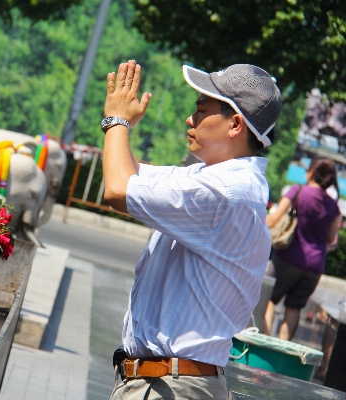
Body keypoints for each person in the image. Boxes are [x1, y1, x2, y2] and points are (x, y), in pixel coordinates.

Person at [102, 60, 282, 399]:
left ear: (235, 125)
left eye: (202, 110)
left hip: (171, 385)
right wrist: (118, 129)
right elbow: (131, 175)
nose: (190, 119)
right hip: (167, 381)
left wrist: (117, 122)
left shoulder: (224, 191)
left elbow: (117, 190)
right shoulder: (215, 178)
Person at [263, 158, 341, 345]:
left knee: (268, 298)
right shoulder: (334, 206)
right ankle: (282, 353)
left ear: (311, 173)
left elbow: (273, 220)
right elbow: (331, 239)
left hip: (288, 258)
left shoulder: (298, 191)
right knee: (294, 308)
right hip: (315, 265)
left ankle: (264, 344)